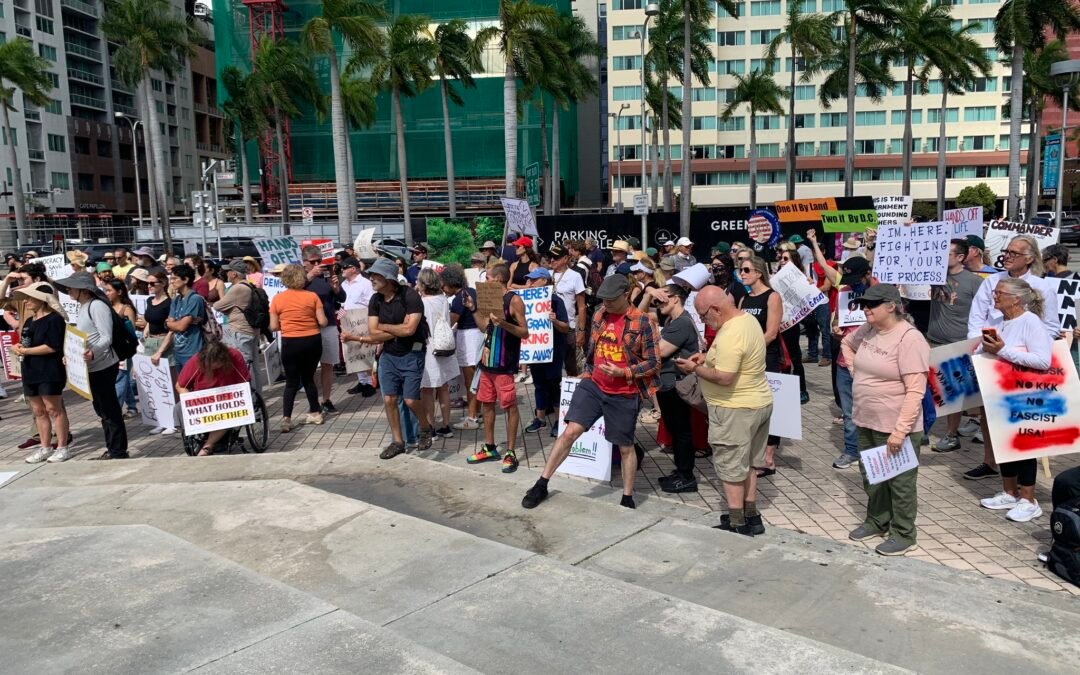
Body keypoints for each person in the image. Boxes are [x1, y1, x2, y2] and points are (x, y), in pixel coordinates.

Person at [522, 274, 660, 509]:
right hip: (594, 385)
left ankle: (627, 497)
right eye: (603, 299)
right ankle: (541, 483)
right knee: (569, 433)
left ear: (626, 295)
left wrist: (624, 372)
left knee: (625, 446)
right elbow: (593, 349)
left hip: (624, 392)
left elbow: (654, 363)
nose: (605, 303)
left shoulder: (643, 322)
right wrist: (587, 372)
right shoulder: (599, 314)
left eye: (611, 300)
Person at [671, 285, 772, 535]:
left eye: (704, 315)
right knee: (748, 464)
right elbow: (734, 357)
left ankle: (737, 521)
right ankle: (752, 516)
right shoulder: (747, 319)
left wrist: (694, 369)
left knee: (730, 468)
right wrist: (705, 357)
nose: (705, 321)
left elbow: (724, 377)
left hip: (734, 409)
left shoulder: (730, 334)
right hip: (758, 403)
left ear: (716, 308)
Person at [842, 284, 930, 556]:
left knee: (900, 482)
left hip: (894, 425)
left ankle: (903, 533)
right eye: (864, 304)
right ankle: (877, 520)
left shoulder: (909, 339)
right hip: (866, 419)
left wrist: (899, 432)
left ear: (891, 306)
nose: (865, 308)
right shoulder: (868, 330)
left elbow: (916, 390)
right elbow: (846, 343)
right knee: (872, 476)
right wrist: (858, 373)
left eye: (872, 304)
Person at [964, 234, 1059, 480]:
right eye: (1007, 251)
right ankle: (991, 461)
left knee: (1020, 416)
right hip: (990, 356)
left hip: (1024, 362)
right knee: (990, 412)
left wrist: (1033, 352)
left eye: (1014, 253)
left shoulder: (1043, 286)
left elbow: (1050, 326)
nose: (1007, 256)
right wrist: (979, 347)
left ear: (1029, 259)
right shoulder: (992, 281)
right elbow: (977, 318)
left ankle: (1024, 481)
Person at [976, 277, 1053, 523]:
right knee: (1003, 442)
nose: (994, 296)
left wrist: (1002, 350)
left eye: (999, 293)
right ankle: (1009, 491)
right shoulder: (1000, 321)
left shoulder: (1031, 322)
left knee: (1024, 445)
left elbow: (1043, 360)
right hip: (1000, 392)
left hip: (1024, 394)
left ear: (1016, 298)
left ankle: (1029, 500)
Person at [354, 257, 434, 458]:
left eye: (375, 275)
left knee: (409, 400)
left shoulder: (410, 296)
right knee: (389, 398)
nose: (371, 278)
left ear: (388, 278)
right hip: (389, 355)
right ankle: (397, 441)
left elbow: (410, 330)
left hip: (412, 353)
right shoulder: (376, 300)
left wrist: (385, 327)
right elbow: (374, 332)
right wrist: (399, 329)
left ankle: (425, 427)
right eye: (370, 274)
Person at [53, 272, 130, 460]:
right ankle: (113, 448)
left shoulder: (96, 306)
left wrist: (92, 352)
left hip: (102, 365)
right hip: (92, 366)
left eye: (71, 287)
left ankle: (118, 451)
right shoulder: (84, 306)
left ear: (83, 290)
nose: (68, 290)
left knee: (109, 410)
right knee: (102, 410)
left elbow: (106, 337)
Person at [469, 264, 530, 472]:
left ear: (497, 279)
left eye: (487, 278)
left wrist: (503, 323)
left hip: (505, 364)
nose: (484, 281)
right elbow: (483, 326)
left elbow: (525, 333)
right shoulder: (489, 299)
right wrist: (473, 309)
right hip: (487, 363)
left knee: (509, 406)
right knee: (486, 404)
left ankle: (511, 451)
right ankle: (490, 446)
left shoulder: (513, 300)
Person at [928, 239, 984, 452]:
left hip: (959, 344)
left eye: (947, 252)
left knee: (954, 393)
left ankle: (952, 434)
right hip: (933, 341)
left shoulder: (974, 282)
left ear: (960, 257)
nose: (941, 255)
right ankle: (924, 429)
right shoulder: (933, 275)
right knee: (931, 390)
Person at [648, 284, 703, 493]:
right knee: (675, 429)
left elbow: (659, 352)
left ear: (676, 299)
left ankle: (686, 475)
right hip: (668, 383)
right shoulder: (673, 321)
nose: (659, 301)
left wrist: (650, 334)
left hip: (677, 384)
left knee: (681, 431)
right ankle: (681, 470)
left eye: (663, 297)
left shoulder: (680, 323)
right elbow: (642, 314)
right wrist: (648, 294)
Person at [737, 255, 785, 477]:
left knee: (771, 408)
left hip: (767, 358)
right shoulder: (743, 300)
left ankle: (769, 458)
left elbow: (771, 333)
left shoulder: (772, 297)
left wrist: (749, 349)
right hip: (747, 361)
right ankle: (754, 452)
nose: (742, 274)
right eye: (740, 270)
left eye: (746, 270)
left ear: (758, 272)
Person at [14, 283, 72, 463]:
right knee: (38, 410)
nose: (26, 301)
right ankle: (45, 446)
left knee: (54, 409)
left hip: (49, 370)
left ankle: (62, 446)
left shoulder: (54, 320)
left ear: (42, 299)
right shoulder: (30, 321)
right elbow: (25, 342)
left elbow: (52, 347)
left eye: (30, 298)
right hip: (30, 369)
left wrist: (26, 351)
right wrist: (18, 347)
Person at [269, 264, 327, 432]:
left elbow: (273, 327)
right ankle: (315, 413)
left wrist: (288, 323)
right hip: (312, 340)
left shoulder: (278, 299)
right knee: (309, 377)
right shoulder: (312, 296)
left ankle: (286, 419)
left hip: (290, 341)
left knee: (291, 381)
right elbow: (323, 322)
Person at [176, 339, 252, 456]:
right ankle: (191, 432)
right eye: (209, 363)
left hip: (226, 398)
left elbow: (244, 383)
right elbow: (180, 386)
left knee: (229, 411)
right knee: (178, 408)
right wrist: (189, 400)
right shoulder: (196, 361)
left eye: (215, 363)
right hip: (202, 400)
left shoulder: (234, 356)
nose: (211, 366)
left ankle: (208, 445)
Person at [521, 267, 570, 438]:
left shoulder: (556, 301)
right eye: (529, 280)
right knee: (539, 384)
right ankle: (540, 418)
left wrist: (554, 320)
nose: (531, 283)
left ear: (544, 281)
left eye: (534, 280)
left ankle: (558, 420)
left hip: (553, 349)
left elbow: (565, 328)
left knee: (553, 384)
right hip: (535, 350)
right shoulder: (526, 302)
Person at [302, 244, 346, 414]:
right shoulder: (301, 276)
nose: (317, 264)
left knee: (328, 364)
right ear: (305, 262)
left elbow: (342, 297)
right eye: (313, 262)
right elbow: (292, 290)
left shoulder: (327, 275)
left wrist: (335, 287)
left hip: (328, 325)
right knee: (310, 366)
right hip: (308, 327)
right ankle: (313, 401)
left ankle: (326, 399)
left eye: (319, 261)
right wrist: (310, 276)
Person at [416, 268, 457, 437]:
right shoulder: (444, 299)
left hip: (429, 347)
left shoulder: (422, 303)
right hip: (445, 345)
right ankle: (446, 425)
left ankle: (431, 426)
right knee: (444, 388)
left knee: (427, 390)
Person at [442, 265, 483, 429]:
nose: (443, 288)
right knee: (475, 380)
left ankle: (472, 417)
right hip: (476, 336)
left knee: (470, 381)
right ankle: (476, 413)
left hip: (468, 338)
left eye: (444, 284)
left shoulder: (459, 297)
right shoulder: (471, 291)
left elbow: (450, 321)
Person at [214, 259, 263, 390]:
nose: (226, 274)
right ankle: (258, 394)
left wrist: (227, 307)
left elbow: (217, 305)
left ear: (234, 274)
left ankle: (251, 397)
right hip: (252, 329)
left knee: (245, 364)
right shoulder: (249, 285)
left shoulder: (237, 288)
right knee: (255, 365)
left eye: (228, 271)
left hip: (241, 331)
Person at [142, 270, 175, 434]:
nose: (149, 286)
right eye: (148, 283)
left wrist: (160, 351)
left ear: (162, 283)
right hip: (151, 341)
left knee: (167, 383)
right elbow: (150, 318)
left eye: (152, 283)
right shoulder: (149, 301)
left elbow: (171, 330)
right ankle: (161, 419)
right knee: (154, 382)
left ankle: (173, 421)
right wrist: (147, 328)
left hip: (163, 341)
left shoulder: (169, 303)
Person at [338, 257, 376, 397]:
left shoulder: (366, 283)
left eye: (344, 267)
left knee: (367, 351)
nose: (341, 270)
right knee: (354, 352)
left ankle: (372, 383)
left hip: (362, 322)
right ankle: (362, 381)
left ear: (353, 269)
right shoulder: (344, 284)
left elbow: (371, 303)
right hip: (347, 321)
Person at [776, 247, 810, 404]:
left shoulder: (802, 278)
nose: (782, 261)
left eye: (786, 259)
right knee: (781, 357)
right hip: (778, 323)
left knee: (795, 356)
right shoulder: (775, 278)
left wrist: (809, 285)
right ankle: (783, 389)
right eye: (781, 258)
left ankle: (801, 389)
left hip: (792, 324)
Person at [549, 243, 587, 377]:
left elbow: (581, 306)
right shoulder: (547, 275)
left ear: (566, 258)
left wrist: (581, 331)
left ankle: (571, 396)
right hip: (548, 328)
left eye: (556, 258)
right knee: (552, 367)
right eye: (551, 257)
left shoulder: (575, 276)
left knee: (571, 366)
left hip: (568, 327)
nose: (552, 260)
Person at [105, 279, 139, 419]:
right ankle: (132, 406)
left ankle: (115, 410)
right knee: (121, 377)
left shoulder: (127, 309)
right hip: (110, 349)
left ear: (119, 292)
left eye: (109, 290)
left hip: (123, 350)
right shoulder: (106, 307)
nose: (106, 293)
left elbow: (132, 332)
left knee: (121, 378)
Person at [165, 264, 207, 371]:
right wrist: (171, 323)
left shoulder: (195, 299)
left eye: (174, 278)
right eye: (171, 278)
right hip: (178, 351)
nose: (171, 282)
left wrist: (172, 323)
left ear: (185, 280)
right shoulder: (176, 299)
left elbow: (181, 326)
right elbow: (170, 322)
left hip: (193, 352)